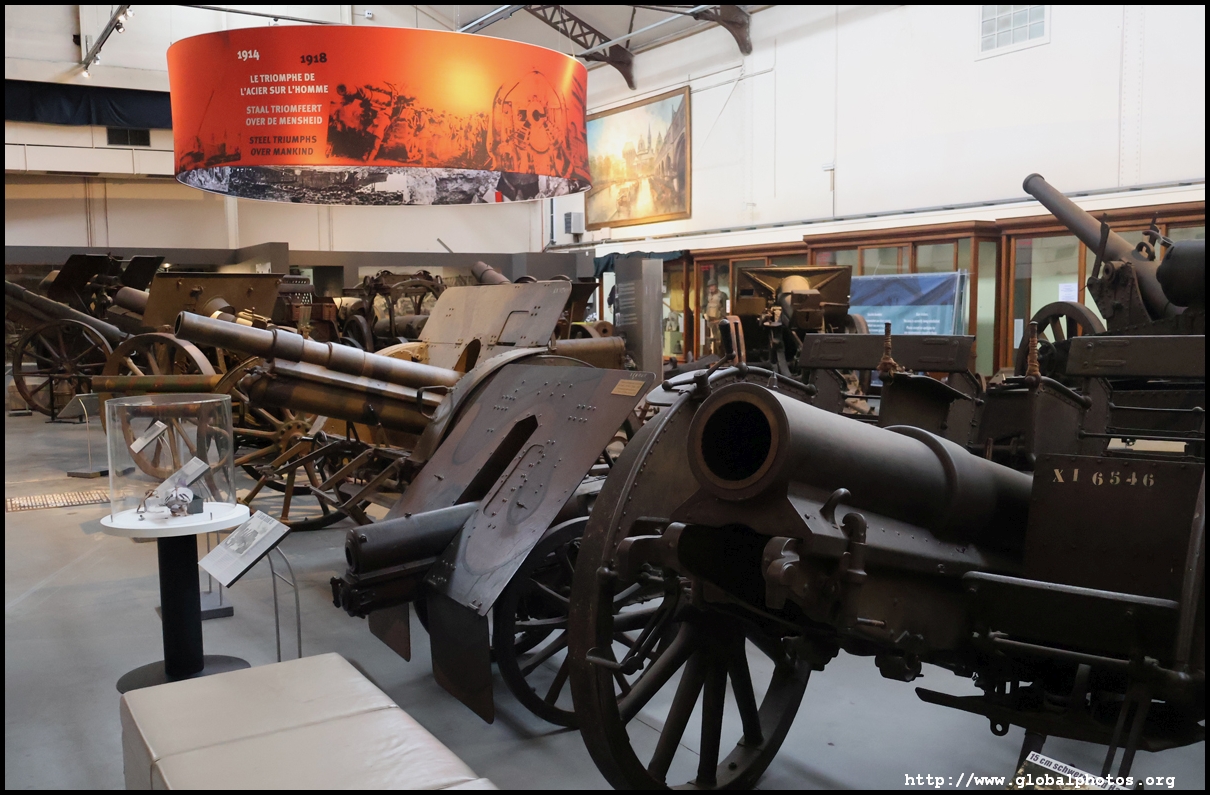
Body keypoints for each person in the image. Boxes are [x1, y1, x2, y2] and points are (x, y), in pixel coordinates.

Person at [704, 278, 728, 354]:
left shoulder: (722, 295)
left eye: (712, 286)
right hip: (710, 322)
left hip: (719, 321)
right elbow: (703, 306)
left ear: (716, 286)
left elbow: (727, 308)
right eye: (709, 286)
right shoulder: (707, 297)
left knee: (719, 341)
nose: (711, 288)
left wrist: (724, 317)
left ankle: (720, 355)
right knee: (709, 341)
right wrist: (704, 314)